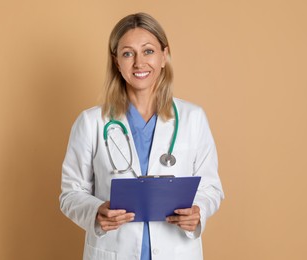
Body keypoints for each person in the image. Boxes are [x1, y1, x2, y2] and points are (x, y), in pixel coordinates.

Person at [59, 12, 224, 260]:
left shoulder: (193, 118)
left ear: (164, 56)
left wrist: (198, 210)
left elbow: (211, 187)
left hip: (177, 250)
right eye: (128, 53)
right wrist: (96, 211)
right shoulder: (91, 122)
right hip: (114, 251)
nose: (139, 63)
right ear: (116, 62)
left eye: (148, 51)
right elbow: (70, 193)